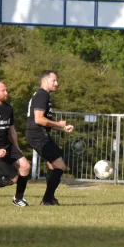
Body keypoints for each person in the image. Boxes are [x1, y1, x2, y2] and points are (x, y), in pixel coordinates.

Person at [26, 70, 74, 205]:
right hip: (37, 135)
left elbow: (44, 120)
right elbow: (39, 119)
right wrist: (59, 124)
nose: (56, 83)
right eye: (54, 80)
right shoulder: (42, 95)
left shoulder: (43, 95)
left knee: (53, 166)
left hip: (39, 134)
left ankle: (49, 198)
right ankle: (47, 199)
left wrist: (62, 127)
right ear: (46, 80)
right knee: (60, 166)